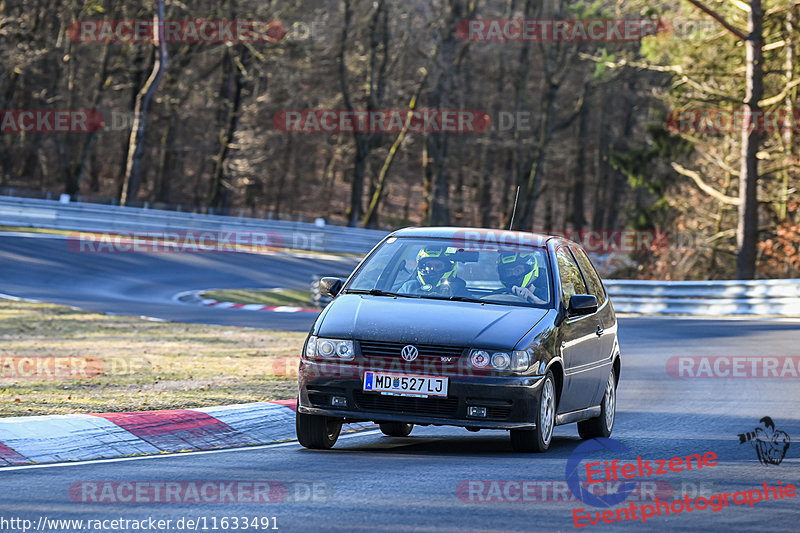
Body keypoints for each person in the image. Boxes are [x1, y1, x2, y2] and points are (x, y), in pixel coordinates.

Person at [400, 246, 469, 297]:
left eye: (438, 266)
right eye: (428, 265)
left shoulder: (459, 291)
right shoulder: (409, 287)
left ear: (448, 267)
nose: (432, 269)